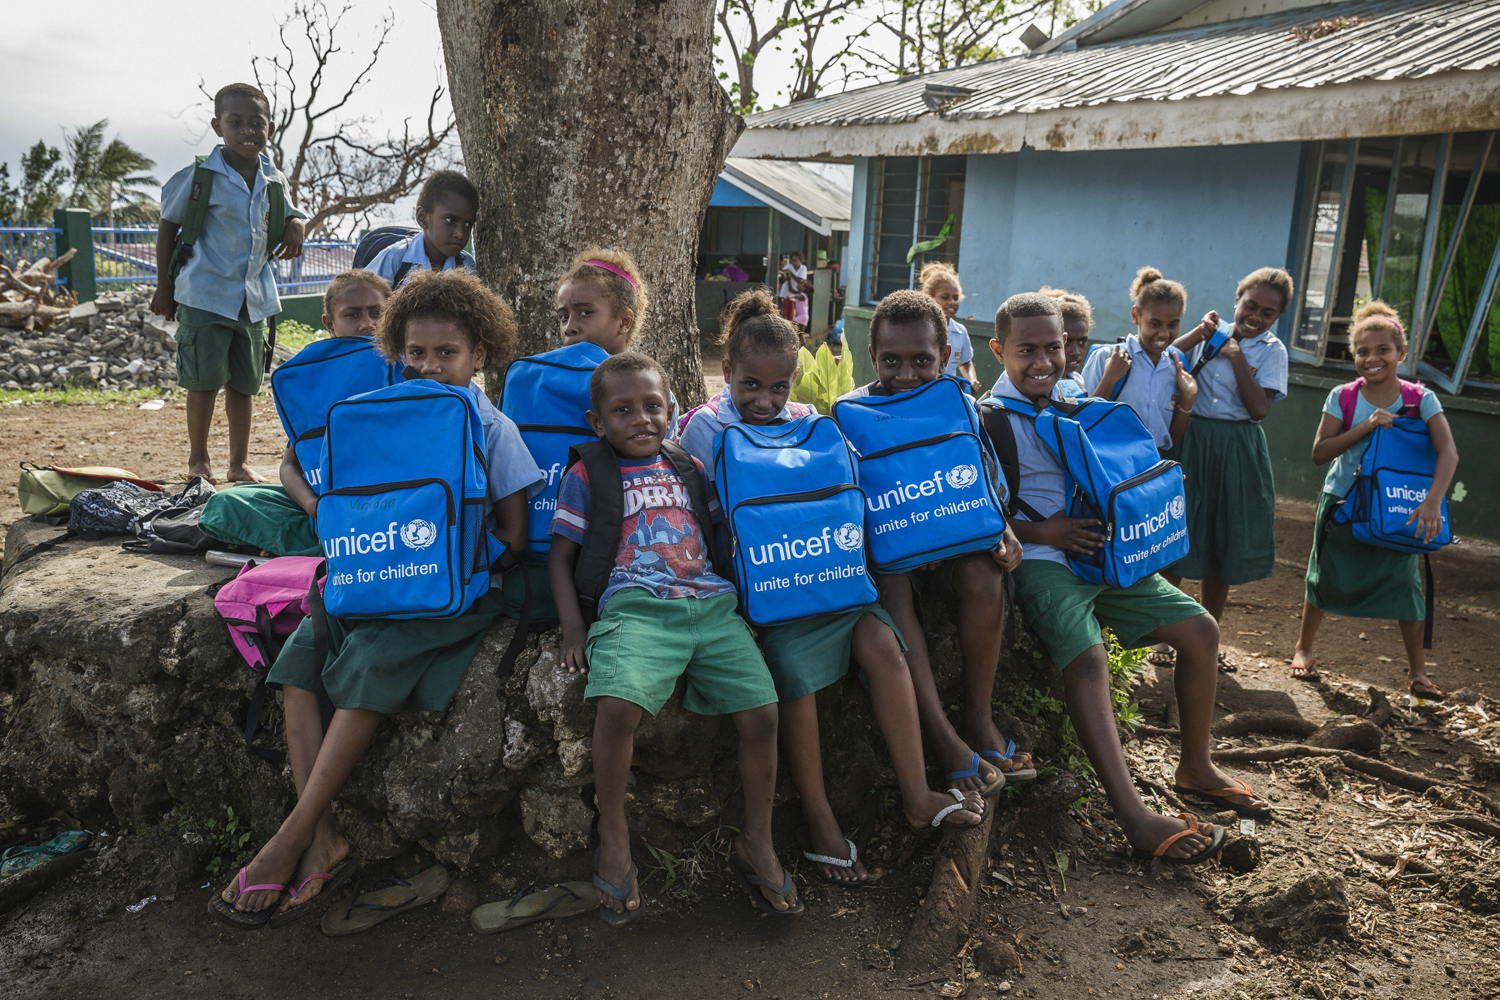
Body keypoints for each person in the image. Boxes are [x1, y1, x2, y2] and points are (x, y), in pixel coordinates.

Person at [209, 270, 542, 930]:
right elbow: (338, 498)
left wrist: (459, 561)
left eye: (446, 353)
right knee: (299, 671)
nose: (427, 366)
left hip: (445, 594)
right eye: (415, 353)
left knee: (361, 676)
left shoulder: (490, 424)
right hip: (370, 579)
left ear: (480, 355)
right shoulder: (374, 416)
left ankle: (289, 838)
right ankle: (325, 836)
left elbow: (515, 529)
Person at [677, 291, 985, 883]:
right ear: (728, 373)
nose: (764, 402)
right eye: (750, 386)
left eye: (778, 388)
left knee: (884, 646)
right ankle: (820, 824)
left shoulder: (810, 424)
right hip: (772, 598)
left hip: (834, 582)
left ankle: (918, 794)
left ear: (794, 380)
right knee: (795, 684)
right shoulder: (703, 429)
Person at [983, 292, 1270, 861]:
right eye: (1026, 351)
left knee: (1201, 631)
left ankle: (1195, 765)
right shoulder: (987, 418)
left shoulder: (1073, 397)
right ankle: (1134, 815)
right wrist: (1047, 534)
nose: (1043, 361)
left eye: (1054, 347)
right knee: (1086, 657)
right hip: (1045, 562)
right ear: (998, 351)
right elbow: (981, 511)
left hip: (1108, 557)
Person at [548, 353, 798, 923]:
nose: (641, 419)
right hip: (636, 610)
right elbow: (560, 558)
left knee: (761, 712)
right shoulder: (587, 473)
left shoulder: (688, 468)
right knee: (617, 704)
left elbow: (717, 539)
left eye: (652, 406)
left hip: (710, 605)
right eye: (623, 410)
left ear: (672, 410)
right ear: (597, 421)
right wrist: (572, 627)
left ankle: (756, 838)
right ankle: (614, 835)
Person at [839, 290, 1033, 795]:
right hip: (893, 555)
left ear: (945, 357)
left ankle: (978, 716)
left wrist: (1004, 529)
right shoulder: (853, 415)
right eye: (891, 361)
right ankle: (946, 742)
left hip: (954, 541)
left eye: (922, 360)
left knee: (984, 575)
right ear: (872, 357)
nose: (906, 374)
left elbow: (986, 481)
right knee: (893, 585)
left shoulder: (958, 404)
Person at [1291, 301, 1458, 698]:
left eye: (1383, 350)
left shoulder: (1422, 400)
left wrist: (1433, 502)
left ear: (1401, 353)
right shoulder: (1343, 397)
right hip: (1344, 503)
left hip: (1400, 507)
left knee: (1406, 585)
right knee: (1323, 577)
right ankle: (1304, 648)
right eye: (1363, 351)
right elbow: (1320, 452)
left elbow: (1449, 452)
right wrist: (1367, 424)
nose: (1372, 358)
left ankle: (1418, 672)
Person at [151, 82, 307, 484]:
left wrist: (296, 224)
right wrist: (163, 288)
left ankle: (238, 463)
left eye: (257, 122)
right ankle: (198, 461)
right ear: (218, 126)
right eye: (235, 122)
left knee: (244, 384)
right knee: (202, 382)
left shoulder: (273, 177)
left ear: (270, 127)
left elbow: (290, 213)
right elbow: (168, 225)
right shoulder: (200, 176)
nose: (247, 130)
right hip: (205, 294)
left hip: (253, 299)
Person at [1164, 267, 1295, 669]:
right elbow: (1167, 360)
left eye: (1268, 313)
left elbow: (1259, 409)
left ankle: (1209, 637)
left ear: (1278, 317)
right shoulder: (1209, 332)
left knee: (1223, 541)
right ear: (1236, 298)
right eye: (1250, 305)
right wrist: (1204, 335)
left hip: (1237, 447)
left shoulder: (1272, 351)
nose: (1255, 316)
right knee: (1177, 535)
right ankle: (1165, 636)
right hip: (1192, 439)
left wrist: (1237, 358)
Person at [278, 270, 394, 517]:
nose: (367, 323)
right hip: (334, 509)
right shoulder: (312, 378)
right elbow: (289, 464)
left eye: (377, 312)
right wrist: (313, 506)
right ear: (329, 324)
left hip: (397, 502)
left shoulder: (409, 366)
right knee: (229, 503)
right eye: (352, 315)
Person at [1081, 267, 1198, 454]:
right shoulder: (1107, 358)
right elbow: (1083, 422)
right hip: (1109, 464)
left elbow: (1172, 439)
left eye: (1173, 325)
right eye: (1155, 324)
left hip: (1153, 466)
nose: (1164, 333)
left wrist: (1188, 399)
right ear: (1136, 316)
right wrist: (1109, 380)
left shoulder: (1176, 369)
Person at [362, 170, 478, 288]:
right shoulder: (395, 259)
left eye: (468, 224)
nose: (460, 234)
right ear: (422, 218)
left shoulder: (466, 265)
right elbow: (356, 297)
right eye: (450, 220)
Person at [918, 262, 979, 393]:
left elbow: (965, 362)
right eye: (945, 297)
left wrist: (972, 380)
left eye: (956, 298)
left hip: (947, 393)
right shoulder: (918, 328)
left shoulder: (960, 331)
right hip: (921, 391)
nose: (952, 302)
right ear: (930, 297)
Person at [1039, 286, 1093, 398]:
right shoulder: (1037, 384)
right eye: (1067, 342)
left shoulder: (1076, 380)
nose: (1076, 352)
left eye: (1082, 342)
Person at [778, 251, 810, 332]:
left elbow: (800, 280)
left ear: (800, 260)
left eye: (796, 260)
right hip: (785, 294)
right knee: (783, 314)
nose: (794, 262)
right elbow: (783, 275)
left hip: (794, 295)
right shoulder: (789, 266)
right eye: (792, 260)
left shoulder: (803, 268)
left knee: (791, 317)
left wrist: (791, 274)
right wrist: (785, 275)